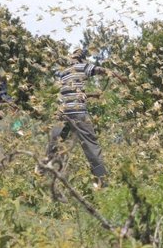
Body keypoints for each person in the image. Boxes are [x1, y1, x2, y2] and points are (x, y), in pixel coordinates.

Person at [44, 47, 127, 188]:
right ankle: (102, 182)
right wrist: (119, 77)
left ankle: (42, 172)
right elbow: (100, 70)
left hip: (63, 115)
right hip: (78, 114)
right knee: (91, 146)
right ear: (82, 59)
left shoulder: (64, 73)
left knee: (54, 144)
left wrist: (92, 95)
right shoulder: (81, 66)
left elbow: (72, 93)